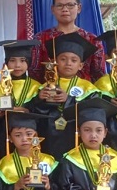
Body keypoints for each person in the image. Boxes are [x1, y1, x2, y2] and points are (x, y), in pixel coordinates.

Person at [26, 32, 100, 160]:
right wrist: (39, 100)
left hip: (74, 133)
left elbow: (91, 113)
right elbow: (35, 114)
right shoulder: (46, 86)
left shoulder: (88, 88)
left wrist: (69, 100)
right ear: (55, 63)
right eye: (63, 59)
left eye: (74, 60)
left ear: (81, 65)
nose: (68, 63)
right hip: (49, 134)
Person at [29, 0, 105, 83]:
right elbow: (34, 73)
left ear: (79, 8)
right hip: (49, 90)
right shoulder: (40, 38)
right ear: (53, 9)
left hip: (85, 91)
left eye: (70, 5)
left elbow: (99, 75)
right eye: (59, 5)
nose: (65, 9)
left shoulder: (92, 40)